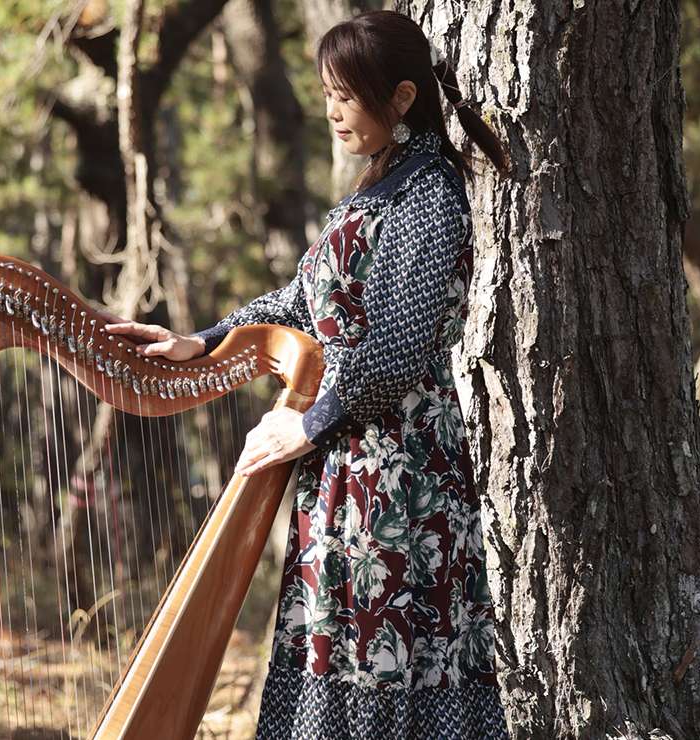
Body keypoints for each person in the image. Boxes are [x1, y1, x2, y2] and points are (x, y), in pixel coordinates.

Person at [104, 10, 510, 738]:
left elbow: (392, 358)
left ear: (404, 98)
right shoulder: (376, 191)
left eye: (345, 94)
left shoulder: (429, 199)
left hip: (401, 484)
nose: (330, 109)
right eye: (325, 92)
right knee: (342, 657)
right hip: (350, 471)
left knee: (391, 665)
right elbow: (298, 301)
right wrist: (202, 342)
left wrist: (307, 422)